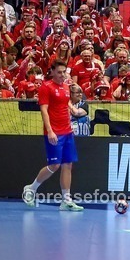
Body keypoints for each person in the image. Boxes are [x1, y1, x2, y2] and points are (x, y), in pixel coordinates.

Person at [23, 59, 84, 211]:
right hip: (54, 132)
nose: (62, 75)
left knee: (67, 165)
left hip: (68, 131)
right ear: (52, 72)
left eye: (64, 72)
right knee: (55, 165)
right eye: (59, 72)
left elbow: (65, 102)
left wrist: (74, 111)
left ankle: (66, 200)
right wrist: (49, 130)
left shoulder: (65, 86)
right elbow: (44, 110)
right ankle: (31, 189)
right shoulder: (46, 87)